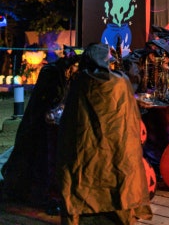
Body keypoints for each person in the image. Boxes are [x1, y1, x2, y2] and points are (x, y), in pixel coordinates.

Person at [56, 43, 152, 224]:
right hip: (117, 143)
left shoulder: (80, 82)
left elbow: (71, 117)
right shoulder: (120, 81)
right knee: (118, 172)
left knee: (83, 172)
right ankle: (120, 210)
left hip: (86, 146)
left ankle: (81, 209)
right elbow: (129, 115)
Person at [1, 51, 80, 215]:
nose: (76, 70)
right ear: (70, 66)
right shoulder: (52, 73)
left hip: (50, 121)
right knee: (39, 157)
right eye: (75, 67)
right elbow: (49, 98)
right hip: (40, 122)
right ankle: (33, 192)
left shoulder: (65, 76)